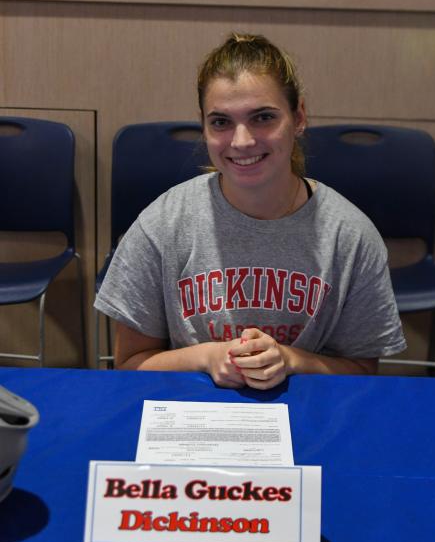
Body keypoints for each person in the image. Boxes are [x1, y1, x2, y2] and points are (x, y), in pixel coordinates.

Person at [95, 33, 406, 389]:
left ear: (299, 117)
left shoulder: (350, 235)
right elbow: (130, 364)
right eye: (221, 122)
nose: (241, 141)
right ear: (203, 126)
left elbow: (362, 372)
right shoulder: (161, 225)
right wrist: (207, 357)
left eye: (263, 117)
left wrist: (291, 360)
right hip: (194, 410)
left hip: (303, 409)